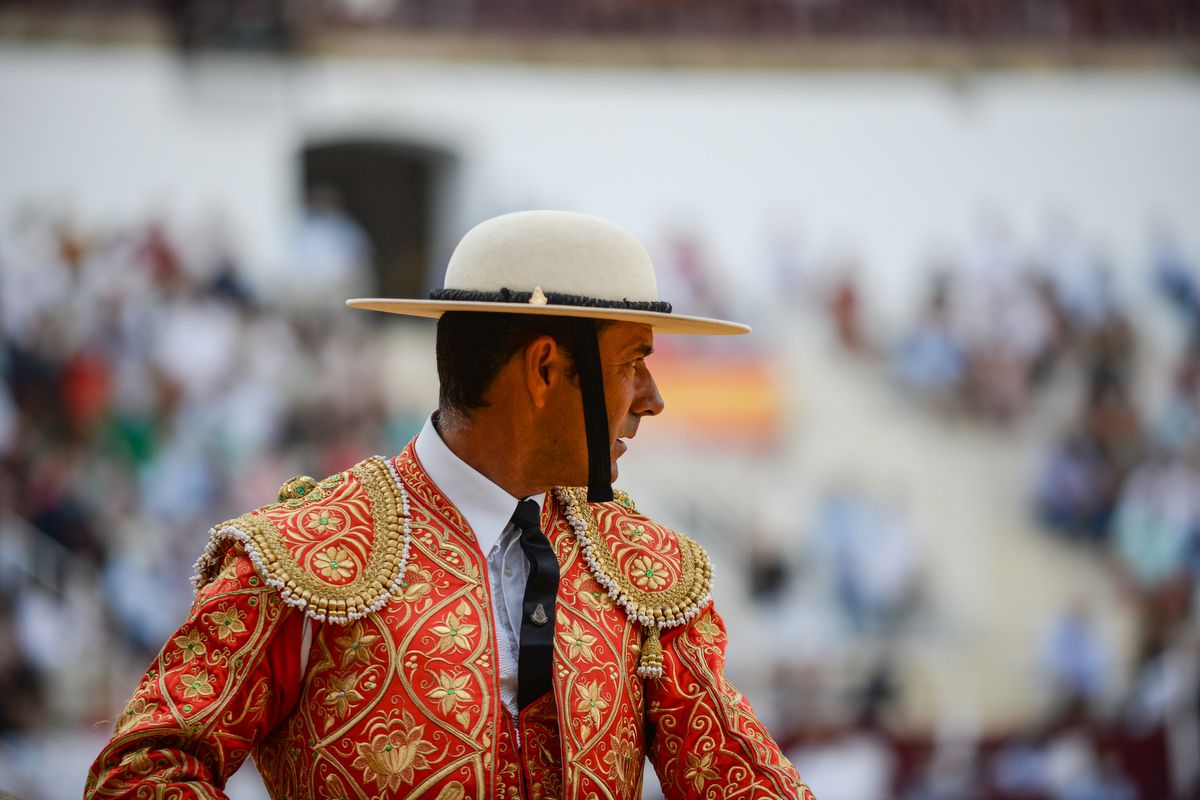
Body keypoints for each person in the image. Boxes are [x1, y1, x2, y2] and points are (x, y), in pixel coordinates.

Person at [85, 210, 815, 799]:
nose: (652, 399)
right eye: (631, 365)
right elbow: (143, 773)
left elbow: (742, 781)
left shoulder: (643, 570)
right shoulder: (307, 549)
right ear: (545, 369)